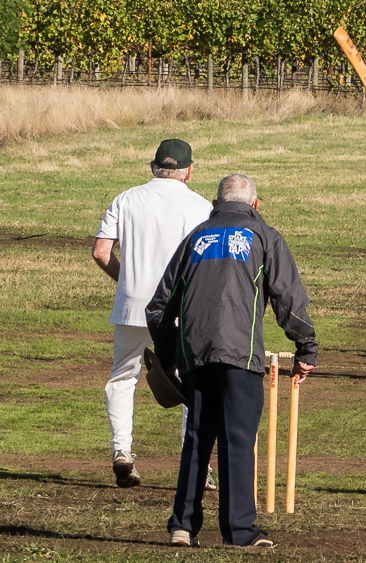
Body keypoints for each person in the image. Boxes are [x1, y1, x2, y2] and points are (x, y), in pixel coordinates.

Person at [146, 174, 318, 548]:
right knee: (237, 441)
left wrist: (168, 357)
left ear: (215, 204)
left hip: (195, 355)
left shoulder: (195, 238)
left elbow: (159, 307)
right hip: (241, 353)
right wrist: (306, 348)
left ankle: (182, 527)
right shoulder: (264, 236)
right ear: (255, 204)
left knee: (197, 439)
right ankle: (239, 532)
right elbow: (288, 299)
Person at [92, 139, 212, 488]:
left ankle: (122, 452)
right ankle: (198, 465)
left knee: (122, 377)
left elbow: (101, 252)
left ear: (153, 167)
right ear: (189, 171)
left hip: (134, 304)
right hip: (180, 306)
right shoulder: (201, 206)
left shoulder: (126, 198)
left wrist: (127, 281)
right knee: (193, 379)